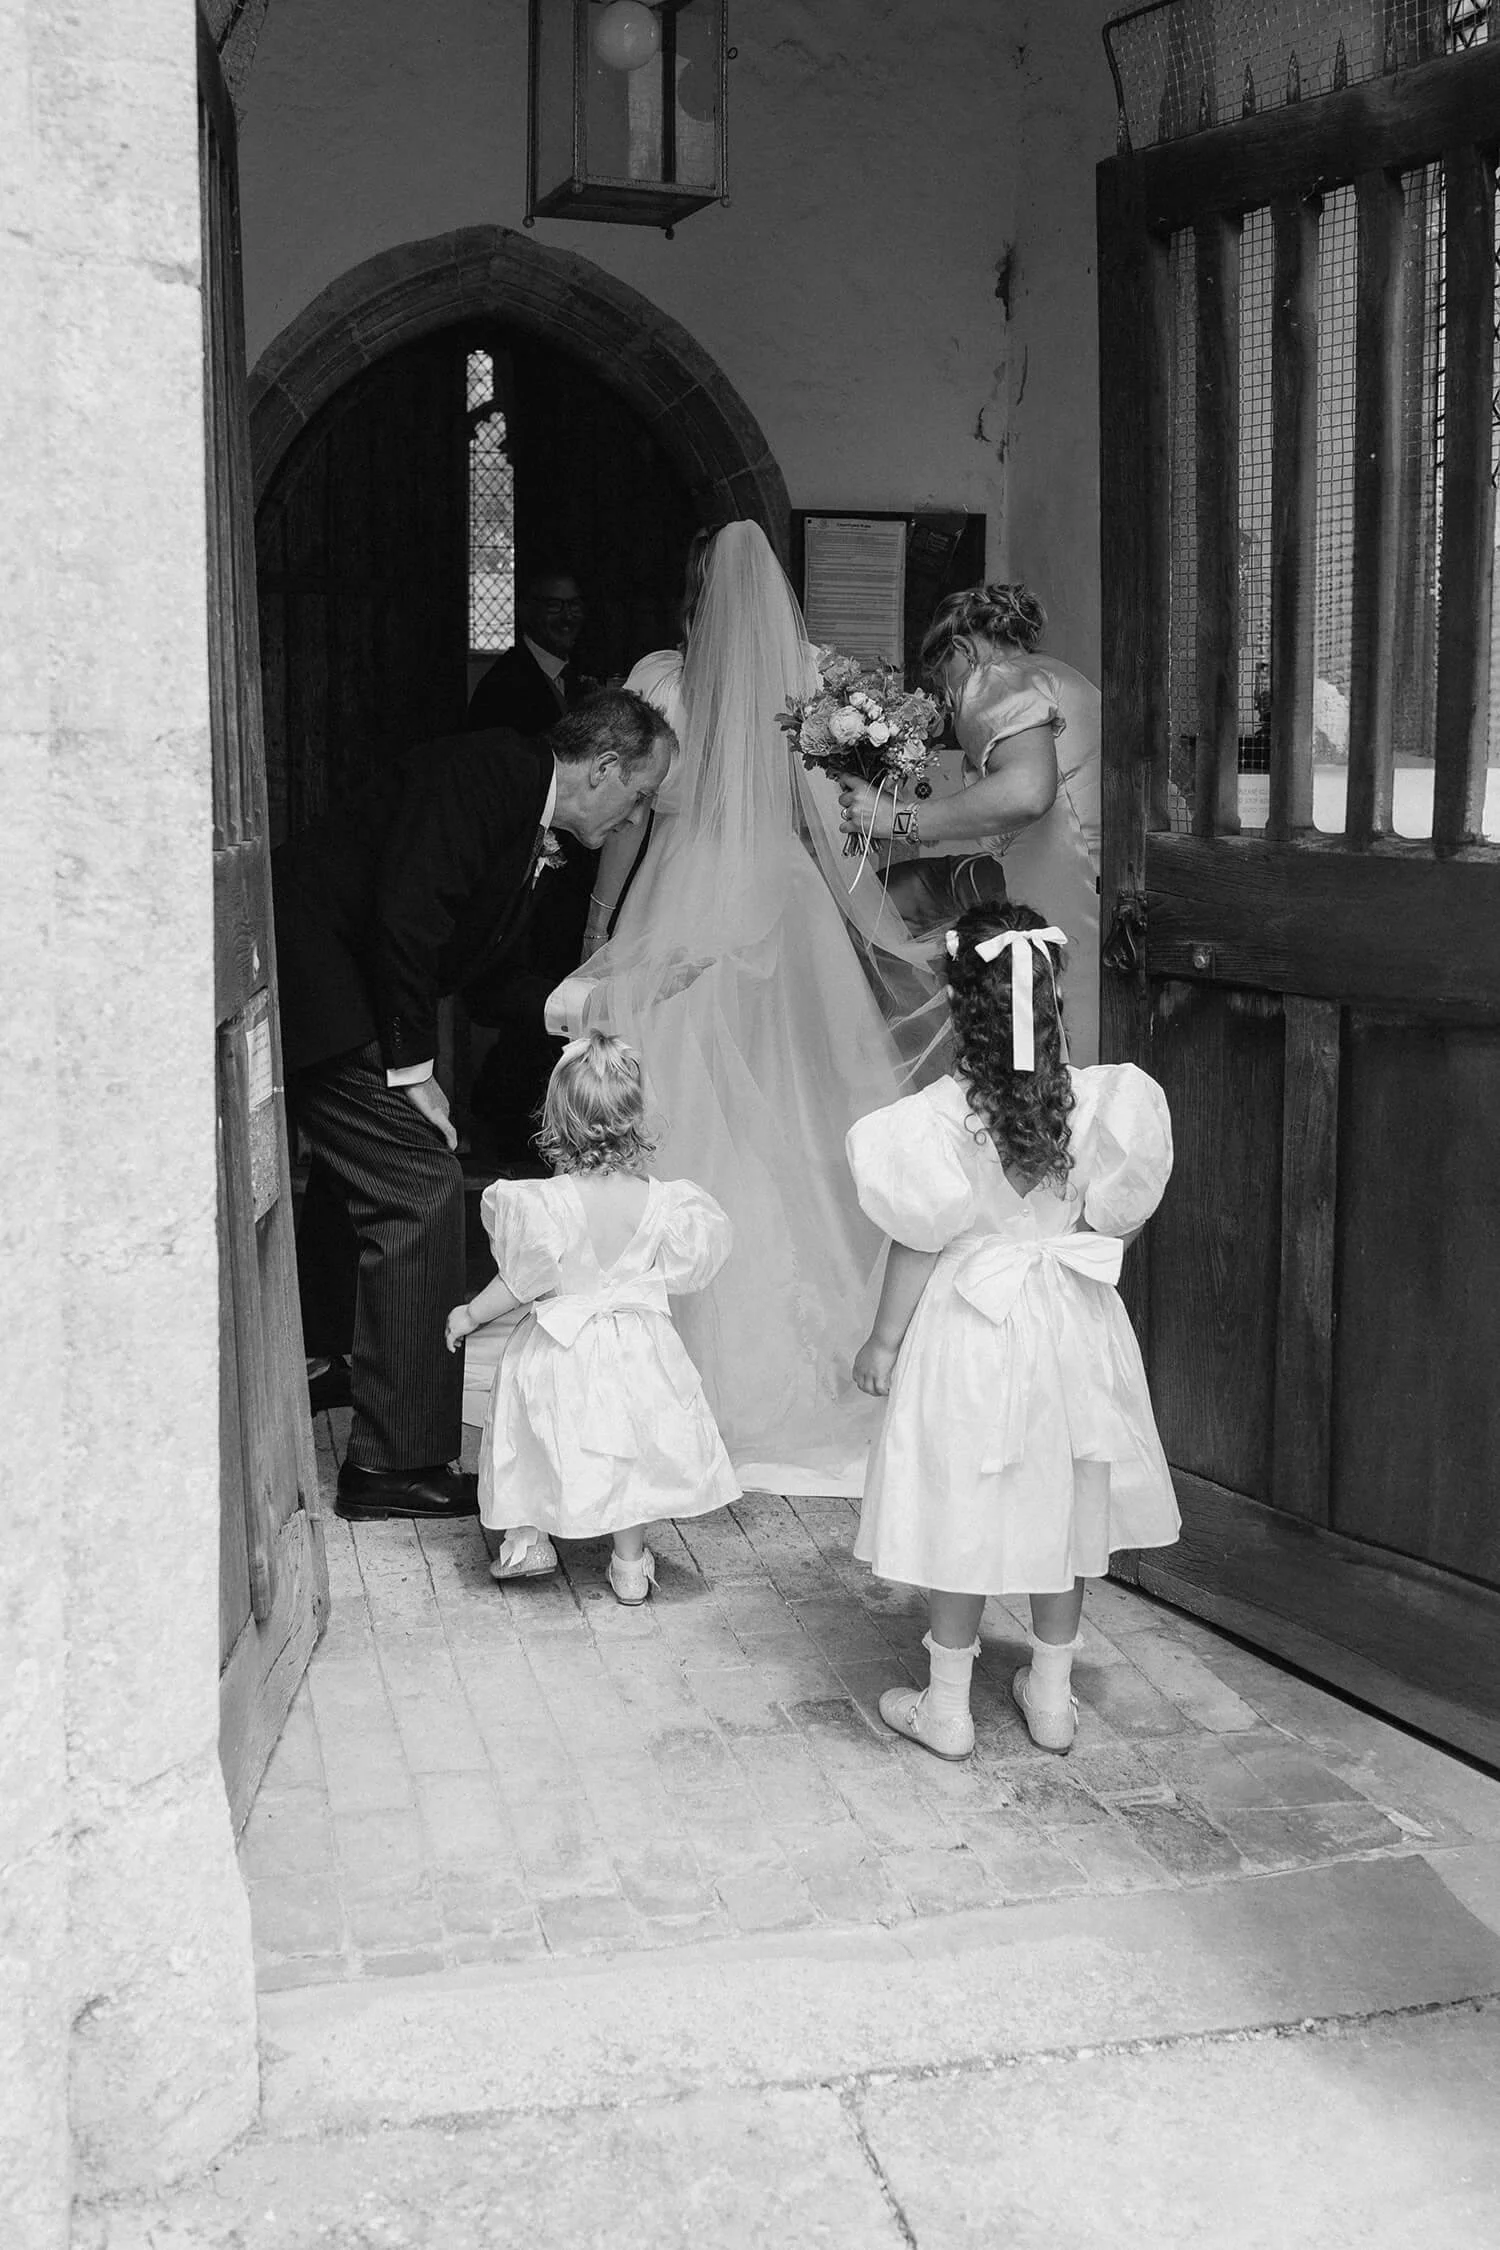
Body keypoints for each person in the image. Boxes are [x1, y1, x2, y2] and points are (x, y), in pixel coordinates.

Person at [536, 520, 946, 1497]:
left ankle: (659, 1366)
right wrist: (882, 925)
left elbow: (632, 821)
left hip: (680, 899)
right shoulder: (805, 684)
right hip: (781, 896)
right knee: (796, 1111)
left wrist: (600, 926)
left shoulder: (661, 680)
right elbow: (835, 831)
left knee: (684, 1117)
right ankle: (821, 1349)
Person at [272, 690, 674, 1521]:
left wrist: (593, 1008)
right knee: (418, 1184)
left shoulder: (526, 808)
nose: (636, 815)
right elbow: (407, 922)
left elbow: (486, 979)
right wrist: (414, 1071)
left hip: (344, 993)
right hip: (319, 989)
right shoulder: (485, 771)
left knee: (376, 1177)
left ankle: (343, 1361)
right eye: (639, 794)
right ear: (604, 768)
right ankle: (394, 1465)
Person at [847, 900, 1179, 1761]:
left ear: (960, 1007)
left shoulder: (937, 1120)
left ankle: (948, 1708)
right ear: (1052, 999)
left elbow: (919, 1243)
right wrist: (1072, 1252)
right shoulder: (1102, 1102)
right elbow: (1119, 1214)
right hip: (1069, 1317)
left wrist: (884, 1341)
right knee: (1061, 1502)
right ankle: (1054, 1697)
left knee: (963, 1502)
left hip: (971, 1324)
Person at [444, 1033, 738, 1601]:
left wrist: (469, 1314)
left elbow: (519, 1283)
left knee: (535, 1436)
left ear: (557, 1117)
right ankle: (629, 1565)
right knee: (627, 1450)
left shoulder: (544, 1202)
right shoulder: (666, 1201)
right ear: (635, 1116)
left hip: (560, 1344)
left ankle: (528, 1537)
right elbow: (685, 1270)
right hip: (637, 1347)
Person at [837, 584, 1103, 1065]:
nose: (949, 698)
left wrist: (897, 819)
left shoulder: (995, 680)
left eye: (944, 682)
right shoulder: (1059, 675)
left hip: (1067, 901)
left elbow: (1025, 792)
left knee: (1059, 1056)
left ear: (962, 649)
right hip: (1092, 897)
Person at [464, 566, 601, 1170]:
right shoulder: (507, 685)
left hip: (564, 883)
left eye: (574, 606)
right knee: (527, 1008)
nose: (566, 617)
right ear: (525, 609)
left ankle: (529, 1124)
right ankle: (510, 1126)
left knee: (544, 1007)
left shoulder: (572, 680)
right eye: (553, 604)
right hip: (530, 881)